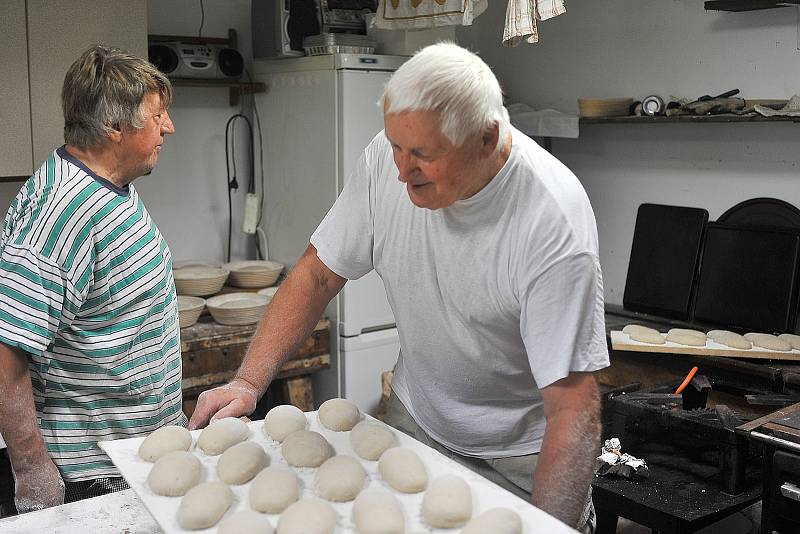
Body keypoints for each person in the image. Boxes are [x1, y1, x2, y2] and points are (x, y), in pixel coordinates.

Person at [189, 42, 609, 532]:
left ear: (487, 138)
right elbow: (318, 273)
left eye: (423, 155)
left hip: (519, 455)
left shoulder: (551, 223)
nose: (400, 170)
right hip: (415, 422)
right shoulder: (387, 167)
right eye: (394, 145)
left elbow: (573, 409)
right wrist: (247, 382)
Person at [0, 44, 181, 513]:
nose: (169, 128)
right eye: (157, 116)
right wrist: (33, 468)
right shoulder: (64, 211)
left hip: (136, 456)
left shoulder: (111, 188)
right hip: (90, 473)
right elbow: (5, 352)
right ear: (114, 128)